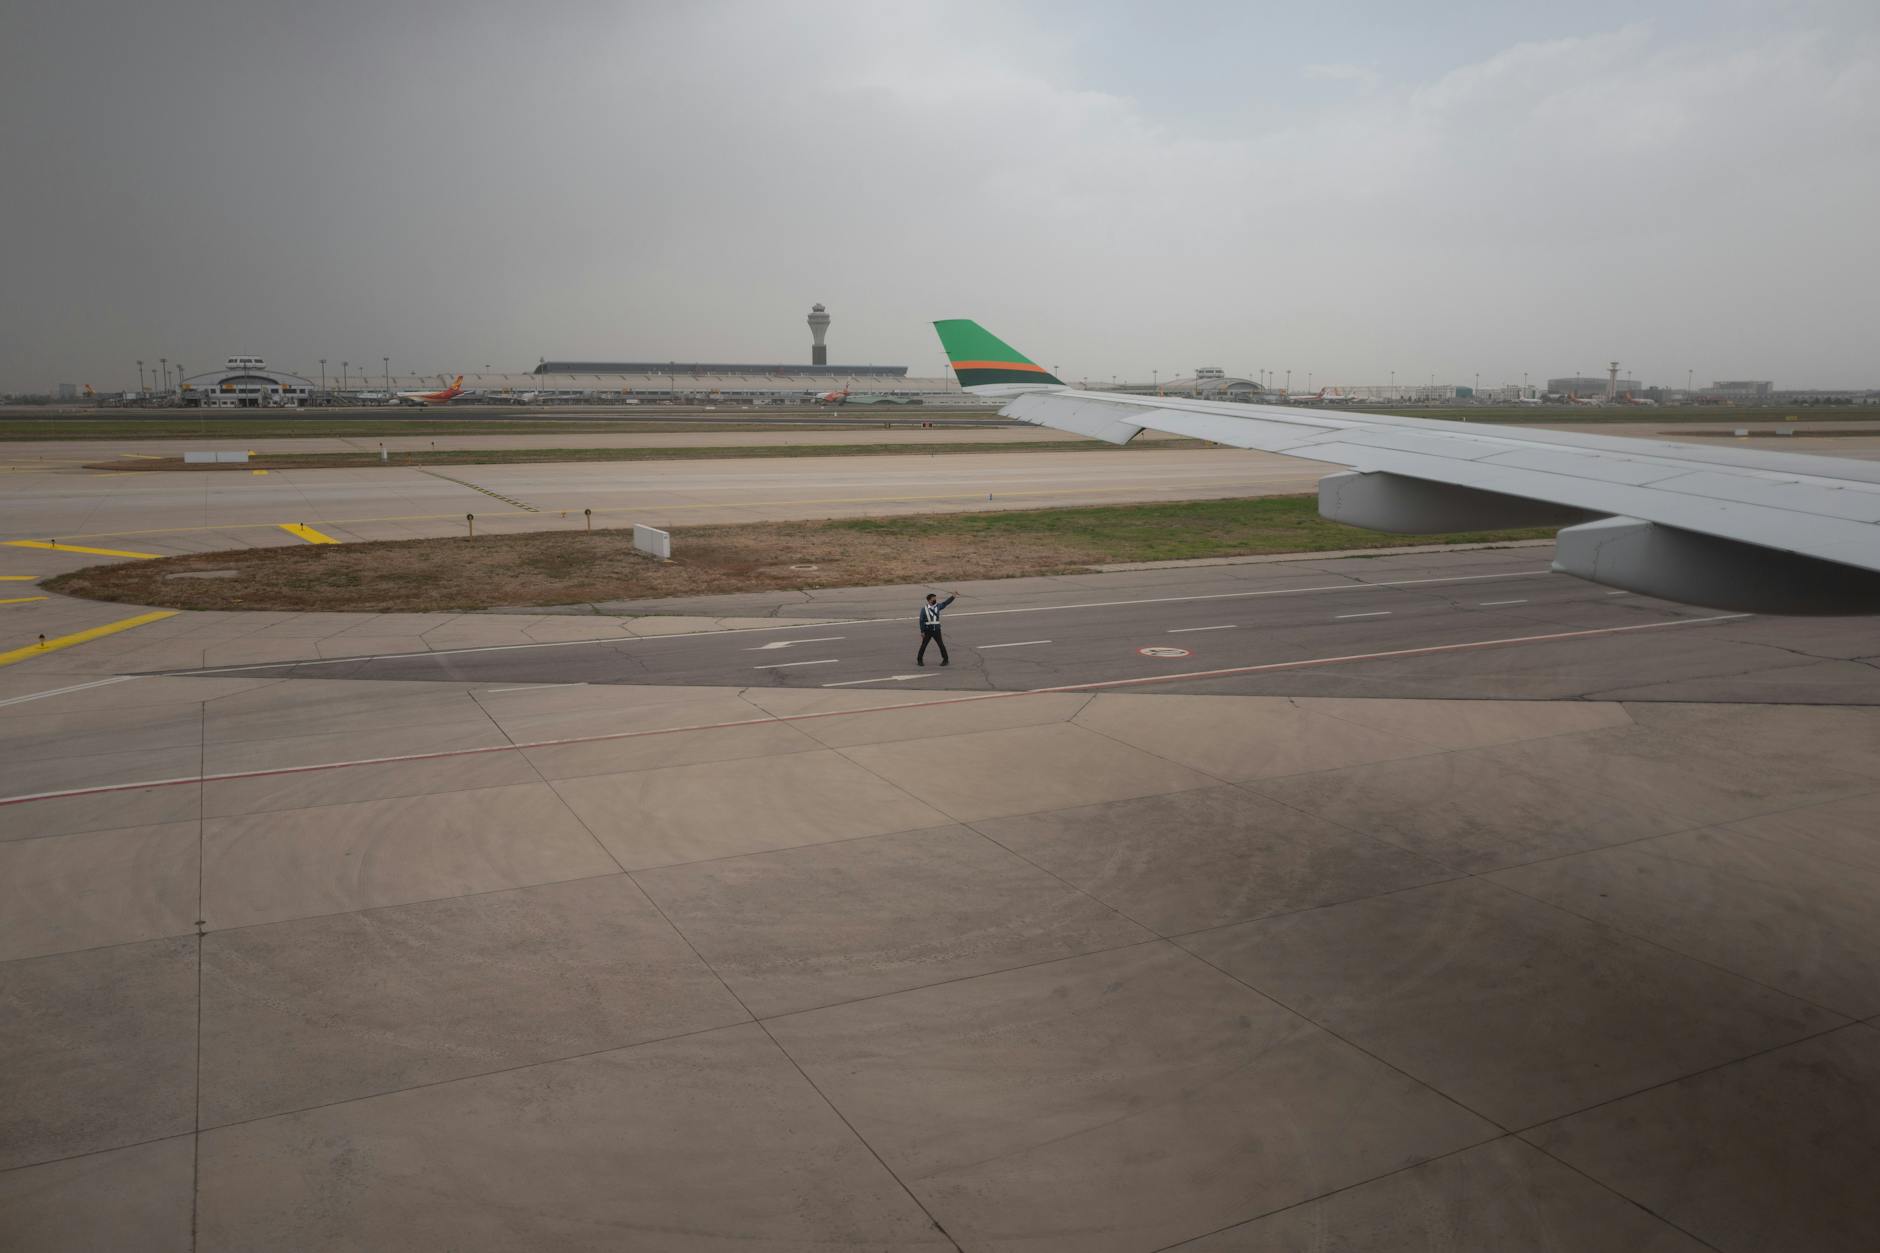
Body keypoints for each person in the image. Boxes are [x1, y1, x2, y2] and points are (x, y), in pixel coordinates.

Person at [917, 591, 955, 666]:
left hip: (936, 630)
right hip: (928, 630)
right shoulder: (924, 609)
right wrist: (922, 631)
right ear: (929, 600)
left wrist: (953, 597)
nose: (935, 600)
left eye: (935, 598)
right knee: (923, 645)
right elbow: (921, 620)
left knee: (941, 645)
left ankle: (945, 659)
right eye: (933, 599)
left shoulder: (938, 606)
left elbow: (945, 603)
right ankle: (919, 660)